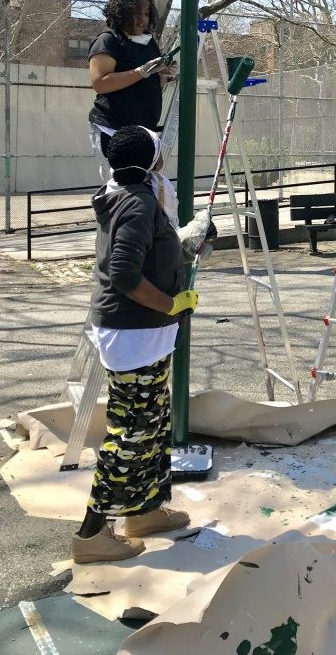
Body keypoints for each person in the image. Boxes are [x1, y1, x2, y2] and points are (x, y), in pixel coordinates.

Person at [71, 125, 198, 564]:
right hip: (135, 333)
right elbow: (125, 273)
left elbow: (145, 253)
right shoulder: (140, 202)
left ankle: (142, 511)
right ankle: (91, 535)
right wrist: (171, 303)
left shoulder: (128, 197)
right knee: (130, 435)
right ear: (154, 161)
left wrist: (183, 246)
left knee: (154, 423)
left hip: (143, 335)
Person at [88, 0, 176, 180]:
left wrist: (163, 77)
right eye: (136, 13)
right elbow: (100, 82)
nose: (141, 20)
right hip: (113, 126)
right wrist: (141, 71)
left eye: (146, 13)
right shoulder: (108, 40)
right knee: (120, 186)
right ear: (121, 13)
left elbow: (147, 87)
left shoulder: (149, 43)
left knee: (152, 174)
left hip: (144, 128)